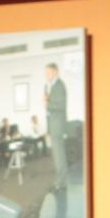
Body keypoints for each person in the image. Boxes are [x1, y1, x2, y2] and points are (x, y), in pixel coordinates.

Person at [43, 59, 69, 192]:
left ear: (55, 72)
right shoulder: (53, 86)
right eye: (46, 73)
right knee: (58, 155)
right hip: (54, 125)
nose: (46, 75)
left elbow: (60, 106)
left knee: (58, 156)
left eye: (48, 72)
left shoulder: (59, 86)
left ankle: (60, 183)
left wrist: (47, 104)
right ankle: (60, 182)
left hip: (57, 126)